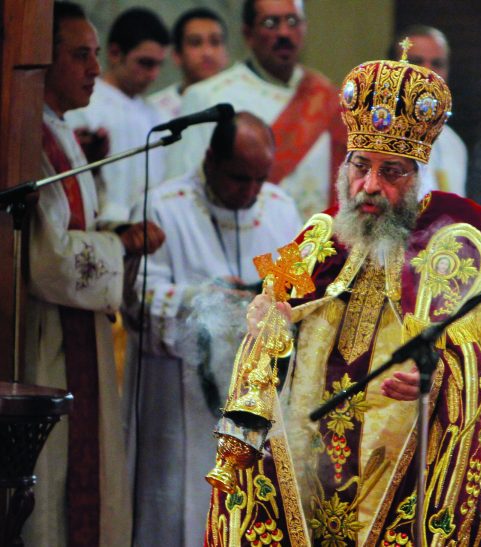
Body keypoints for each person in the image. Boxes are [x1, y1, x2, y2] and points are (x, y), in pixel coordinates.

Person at [204, 53, 481, 545]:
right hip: (310, 490)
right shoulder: (319, 236)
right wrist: (271, 326)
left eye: (391, 171)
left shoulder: (465, 242)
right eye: (360, 166)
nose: (369, 187)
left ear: (417, 174)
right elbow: (267, 334)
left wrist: (444, 378)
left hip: (411, 484)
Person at [125, 112, 302, 546]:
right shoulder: (162, 206)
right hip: (176, 398)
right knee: (174, 510)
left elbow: (297, 296)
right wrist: (213, 299)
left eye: (262, 179)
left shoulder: (281, 208)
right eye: (241, 179)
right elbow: (136, 301)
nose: (252, 192)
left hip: (254, 401)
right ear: (210, 160)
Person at [25, 3, 165, 546]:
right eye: (79, 55)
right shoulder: (27, 136)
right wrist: (119, 243)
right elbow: (48, 256)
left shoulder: (56, 130)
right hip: (45, 339)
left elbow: (74, 228)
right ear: (43, 59)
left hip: (75, 333)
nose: (95, 69)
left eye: (96, 55)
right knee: (55, 481)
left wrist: (119, 232)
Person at [165, 0, 347, 220]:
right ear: (248, 33)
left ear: (304, 27)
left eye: (292, 22)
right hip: (238, 237)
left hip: (314, 244)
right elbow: (182, 190)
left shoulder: (324, 94)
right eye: (270, 23)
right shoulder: (208, 96)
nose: (283, 32)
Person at [66, 7, 170, 223]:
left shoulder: (157, 114)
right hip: (98, 229)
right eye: (145, 63)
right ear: (115, 53)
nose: (154, 75)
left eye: (159, 65)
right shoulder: (85, 107)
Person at [392, 25, 468, 197]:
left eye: (437, 64)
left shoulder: (453, 143)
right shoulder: (375, 131)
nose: (428, 72)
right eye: (416, 62)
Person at [149, 7, 230, 122]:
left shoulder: (244, 102)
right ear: (177, 55)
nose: (207, 52)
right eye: (195, 43)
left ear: (226, 54)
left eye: (215, 42)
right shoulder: (153, 111)